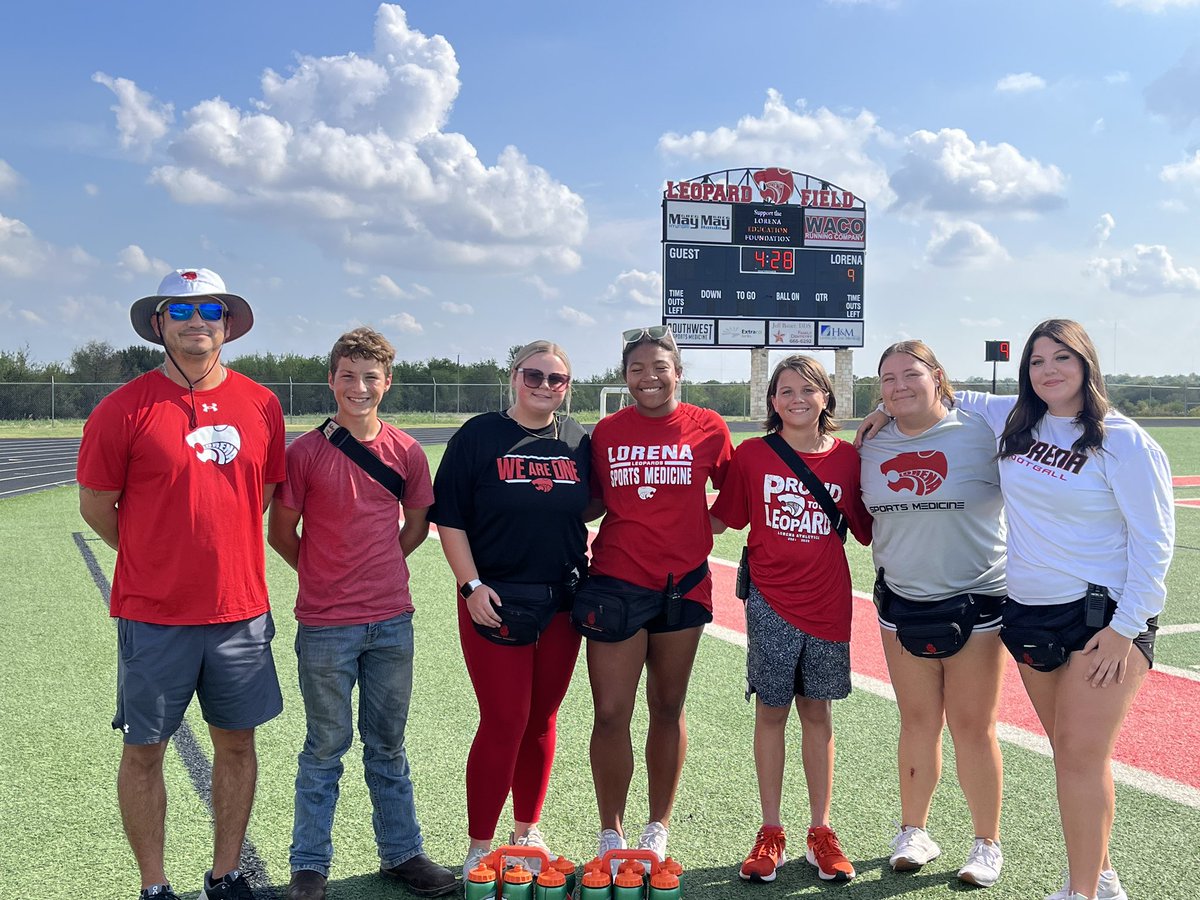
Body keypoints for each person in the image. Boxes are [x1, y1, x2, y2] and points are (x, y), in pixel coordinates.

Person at [77, 268, 286, 900]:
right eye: (181, 309)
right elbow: (97, 507)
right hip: (154, 615)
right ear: (159, 324)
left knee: (237, 746)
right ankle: (154, 886)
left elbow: (263, 495)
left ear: (227, 324)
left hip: (239, 612)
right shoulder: (123, 409)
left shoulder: (261, 404)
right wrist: (154, 554)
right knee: (144, 751)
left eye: (211, 310)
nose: (198, 321)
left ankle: (225, 875)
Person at [949, 321, 1172, 900]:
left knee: (1078, 753)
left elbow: (1154, 544)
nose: (1048, 370)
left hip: (1102, 619)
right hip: (1031, 613)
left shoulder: (1123, 440)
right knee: (1074, 756)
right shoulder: (1014, 419)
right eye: (1037, 361)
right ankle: (1102, 877)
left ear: (1087, 363)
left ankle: (1082, 893)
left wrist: (1126, 629)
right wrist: (881, 414)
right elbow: (942, 391)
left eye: (1062, 358)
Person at [268, 327, 456, 900]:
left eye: (370, 377)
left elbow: (418, 524)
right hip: (326, 624)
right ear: (331, 381)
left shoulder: (405, 450)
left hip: (392, 621)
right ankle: (309, 865)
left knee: (388, 745)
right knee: (324, 747)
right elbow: (281, 533)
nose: (359, 387)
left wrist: (377, 564)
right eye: (347, 376)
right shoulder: (304, 452)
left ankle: (402, 853)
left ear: (387, 382)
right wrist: (326, 574)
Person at [429, 340, 590, 879]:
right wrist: (470, 584)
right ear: (514, 377)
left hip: (563, 600)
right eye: (534, 375)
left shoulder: (576, 440)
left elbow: (598, 503)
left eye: (556, 380)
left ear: (567, 387)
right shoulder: (479, 435)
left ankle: (526, 831)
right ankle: (480, 843)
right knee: (504, 719)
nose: (545, 387)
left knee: (542, 719)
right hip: (495, 597)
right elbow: (449, 518)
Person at [709, 355, 872, 885]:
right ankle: (771, 831)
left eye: (808, 389)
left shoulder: (849, 459)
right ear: (771, 401)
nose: (797, 399)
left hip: (828, 604)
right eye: (785, 391)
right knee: (772, 713)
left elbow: (872, 528)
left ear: (827, 397)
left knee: (818, 715)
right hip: (770, 604)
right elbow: (721, 517)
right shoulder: (753, 455)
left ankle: (821, 831)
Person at [577, 325, 733, 864]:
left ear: (678, 373)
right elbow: (591, 503)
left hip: (683, 589)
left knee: (668, 708)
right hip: (617, 584)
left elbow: (733, 498)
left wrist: (698, 526)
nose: (649, 378)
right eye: (637, 369)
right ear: (624, 376)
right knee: (611, 713)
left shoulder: (709, 428)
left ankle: (657, 826)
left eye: (659, 367)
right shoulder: (605, 433)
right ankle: (610, 832)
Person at [856, 341, 1008, 888]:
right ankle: (914, 830)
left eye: (911, 374)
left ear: (938, 377)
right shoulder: (870, 443)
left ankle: (986, 841)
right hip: (901, 604)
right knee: (917, 723)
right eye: (888, 378)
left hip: (977, 604)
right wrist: (878, 417)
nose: (899, 386)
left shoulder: (983, 432)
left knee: (973, 727)